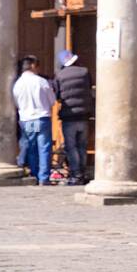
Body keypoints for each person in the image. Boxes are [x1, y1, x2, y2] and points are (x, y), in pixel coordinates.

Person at [12, 56, 56, 185]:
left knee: (32, 147)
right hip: (42, 117)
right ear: (33, 66)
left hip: (27, 119)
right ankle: (44, 177)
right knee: (44, 148)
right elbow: (52, 100)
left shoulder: (18, 84)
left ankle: (35, 174)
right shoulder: (41, 81)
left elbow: (16, 103)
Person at [52, 49, 93, 185]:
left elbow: (57, 95)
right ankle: (82, 172)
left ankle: (76, 174)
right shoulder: (85, 72)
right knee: (82, 146)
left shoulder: (60, 75)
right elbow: (89, 87)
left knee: (71, 147)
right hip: (84, 115)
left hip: (68, 116)